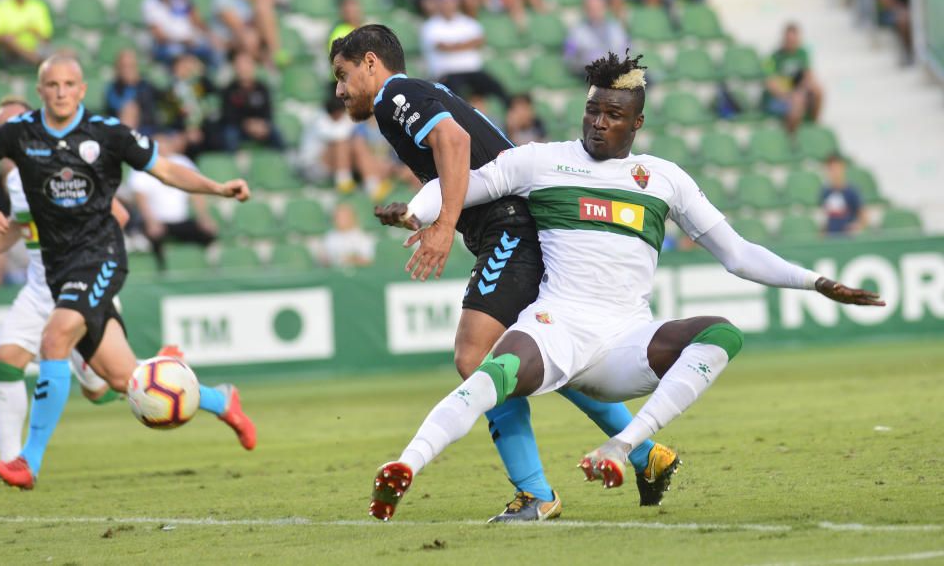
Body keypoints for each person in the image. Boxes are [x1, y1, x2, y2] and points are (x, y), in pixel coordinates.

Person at [369, 52, 884, 520]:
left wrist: (815, 282)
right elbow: (463, 185)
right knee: (487, 372)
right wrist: (415, 211)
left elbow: (739, 254)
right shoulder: (540, 161)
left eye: (613, 115)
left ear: (637, 123)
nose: (598, 123)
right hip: (557, 327)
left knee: (723, 335)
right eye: (592, 110)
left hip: (627, 342)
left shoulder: (664, 179)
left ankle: (627, 446)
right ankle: (406, 466)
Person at [330, 25, 673, 522]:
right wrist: (422, 214)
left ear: (369, 62)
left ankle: (536, 494)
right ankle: (646, 454)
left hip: (509, 229)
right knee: (543, 359)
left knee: (476, 359)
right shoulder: (416, 95)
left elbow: (455, 140)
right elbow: (456, 162)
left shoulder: (394, 94)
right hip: (515, 228)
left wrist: (445, 225)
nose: (339, 90)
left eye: (342, 76)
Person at [0, 55, 256, 489]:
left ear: (82, 89)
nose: (61, 91)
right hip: (57, 270)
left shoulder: (106, 132)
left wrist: (218, 188)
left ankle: (27, 461)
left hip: (101, 257)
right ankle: (224, 402)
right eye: (52, 84)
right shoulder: (19, 133)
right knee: (119, 379)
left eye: (69, 83)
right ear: (40, 90)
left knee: (54, 339)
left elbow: (164, 169)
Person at [0, 96, 127, 484]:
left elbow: (121, 216)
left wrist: (92, 254)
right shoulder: (17, 180)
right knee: (3, 359)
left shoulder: (70, 164)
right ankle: (11, 463)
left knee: (107, 385)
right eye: (0, 127)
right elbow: (18, 228)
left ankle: (172, 373)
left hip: (81, 282)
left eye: (14, 123)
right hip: (38, 286)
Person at [129, 131, 218, 270]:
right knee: (152, 238)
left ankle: (204, 268)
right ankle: (161, 270)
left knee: (208, 233)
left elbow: (196, 192)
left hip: (180, 220)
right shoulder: (142, 166)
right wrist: (151, 221)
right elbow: (140, 197)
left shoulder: (182, 162)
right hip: (157, 221)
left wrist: (203, 216)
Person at [420, 0, 508, 104]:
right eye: (445, 2)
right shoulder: (430, 26)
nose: (448, 5)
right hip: (447, 73)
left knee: (498, 89)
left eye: (451, 2)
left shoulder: (468, 22)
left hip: (473, 71)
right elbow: (442, 47)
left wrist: (454, 45)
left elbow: (479, 41)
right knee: (455, 99)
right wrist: (466, 44)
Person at [143, 0, 217, 68]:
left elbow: (195, 18)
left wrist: (209, 34)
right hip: (169, 44)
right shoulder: (150, 4)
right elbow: (159, 36)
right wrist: (183, 41)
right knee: (177, 52)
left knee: (214, 48)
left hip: (190, 41)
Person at [215, 51, 283, 151]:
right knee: (229, 134)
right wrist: (246, 124)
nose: (243, 68)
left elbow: (268, 111)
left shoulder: (262, 88)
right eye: (239, 65)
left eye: (246, 64)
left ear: (253, 67)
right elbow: (228, 115)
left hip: (259, 126)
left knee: (275, 131)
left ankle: (283, 159)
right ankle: (232, 161)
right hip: (238, 127)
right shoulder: (229, 90)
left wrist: (260, 124)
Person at [763, 23, 823, 133]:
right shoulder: (772, 57)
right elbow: (770, 82)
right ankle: (791, 138)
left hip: (797, 93)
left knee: (817, 91)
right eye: (788, 40)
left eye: (794, 40)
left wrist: (802, 90)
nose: (791, 42)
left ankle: (813, 126)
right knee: (796, 103)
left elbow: (808, 76)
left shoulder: (803, 54)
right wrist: (789, 95)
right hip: (777, 99)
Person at [564, 0, 629, 76]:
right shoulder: (576, 31)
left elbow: (626, 52)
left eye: (598, 8)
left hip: (615, 73)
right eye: (591, 8)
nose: (595, 12)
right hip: (589, 74)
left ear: (604, 8)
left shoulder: (615, 28)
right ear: (585, 10)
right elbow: (569, 57)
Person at [104, 49, 161, 134]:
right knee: (130, 108)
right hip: (122, 132)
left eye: (131, 66)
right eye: (123, 66)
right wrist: (130, 86)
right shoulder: (113, 88)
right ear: (117, 68)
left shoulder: (146, 86)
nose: (127, 70)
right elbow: (117, 107)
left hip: (149, 131)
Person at [821, 154, 866, 236]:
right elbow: (826, 217)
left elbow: (863, 216)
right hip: (831, 239)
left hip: (848, 240)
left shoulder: (852, 191)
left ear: (842, 168)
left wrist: (857, 227)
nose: (834, 173)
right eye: (831, 169)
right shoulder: (825, 192)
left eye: (836, 168)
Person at [320, 201, 375, 267]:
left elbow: (368, 261)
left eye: (344, 216)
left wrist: (352, 259)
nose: (339, 219)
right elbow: (324, 260)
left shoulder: (363, 237)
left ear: (352, 217)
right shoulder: (329, 237)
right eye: (337, 217)